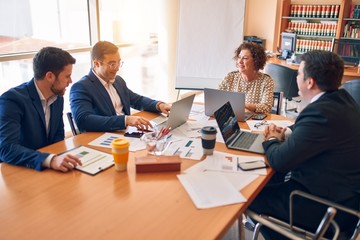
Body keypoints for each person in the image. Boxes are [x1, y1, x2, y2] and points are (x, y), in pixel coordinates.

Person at [248, 50, 360, 239]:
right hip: (346, 199)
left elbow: (280, 161)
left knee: (248, 196)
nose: (296, 77)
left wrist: (272, 139)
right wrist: (288, 132)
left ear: (310, 82)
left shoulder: (321, 112)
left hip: (321, 207)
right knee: (271, 180)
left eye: (299, 73)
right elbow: (313, 130)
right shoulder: (344, 100)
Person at [0, 47, 82, 172]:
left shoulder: (57, 98)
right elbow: (6, 148)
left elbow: (58, 136)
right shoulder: (12, 100)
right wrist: (51, 160)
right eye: (67, 76)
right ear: (49, 76)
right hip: (21, 171)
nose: (70, 81)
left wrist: (60, 159)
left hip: (48, 169)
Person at [70, 41, 171, 132]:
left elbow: (137, 100)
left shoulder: (118, 81)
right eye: (112, 64)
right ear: (96, 63)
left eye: (119, 62)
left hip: (127, 133)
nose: (117, 68)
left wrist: (159, 105)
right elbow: (83, 120)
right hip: (105, 136)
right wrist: (125, 120)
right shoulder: (81, 87)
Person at [218, 42, 274, 113]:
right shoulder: (230, 77)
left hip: (254, 121)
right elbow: (217, 98)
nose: (240, 61)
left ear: (256, 61)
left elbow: (266, 107)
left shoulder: (266, 81)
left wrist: (241, 105)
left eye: (245, 58)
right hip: (231, 119)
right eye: (239, 57)